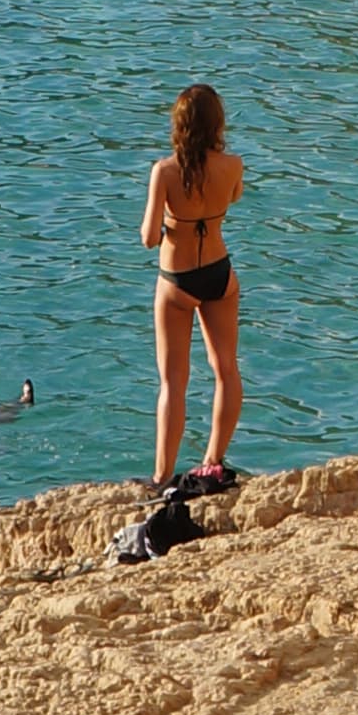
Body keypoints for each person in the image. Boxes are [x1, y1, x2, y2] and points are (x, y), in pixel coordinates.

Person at [143, 82, 244, 491]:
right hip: (220, 273)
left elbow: (149, 238)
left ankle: (162, 476)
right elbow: (231, 199)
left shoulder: (164, 171)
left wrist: (172, 222)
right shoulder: (233, 165)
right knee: (226, 370)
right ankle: (212, 461)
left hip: (177, 281)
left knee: (173, 382)